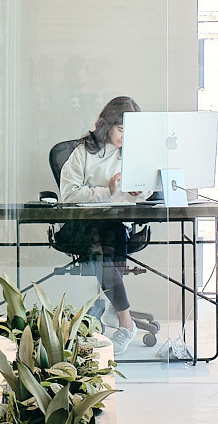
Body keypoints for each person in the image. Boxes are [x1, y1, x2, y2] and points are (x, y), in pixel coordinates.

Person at [53, 95, 163, 348]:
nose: (127, 136)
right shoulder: (83, 152)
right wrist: (107, 191)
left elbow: (146, 192)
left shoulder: (135, 153)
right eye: (122, 129)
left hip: (117, 225)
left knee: (110, 233)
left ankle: (116, 307)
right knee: (102, 239)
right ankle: (125, 321)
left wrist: (139, 191)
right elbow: (68, 195)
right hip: (82, 226)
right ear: (108, 124)